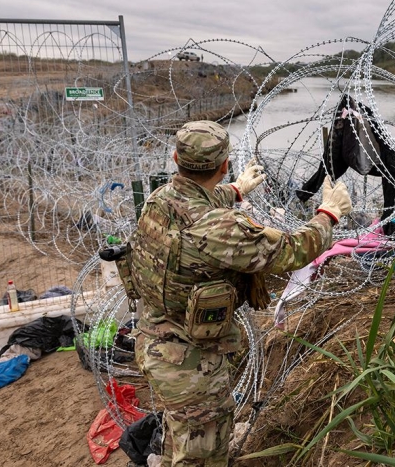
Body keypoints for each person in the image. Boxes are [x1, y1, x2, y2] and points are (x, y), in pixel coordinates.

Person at [129, 120, 352, 466]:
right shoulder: (222, 228)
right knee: (203, 455)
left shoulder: (160, 200)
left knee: (181, 435)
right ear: (224, 165)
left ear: (176, 158)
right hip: (191, 365)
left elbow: (197, 200)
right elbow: (292, 251)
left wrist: (236, 190)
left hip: (154, 342)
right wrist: (329, 214)